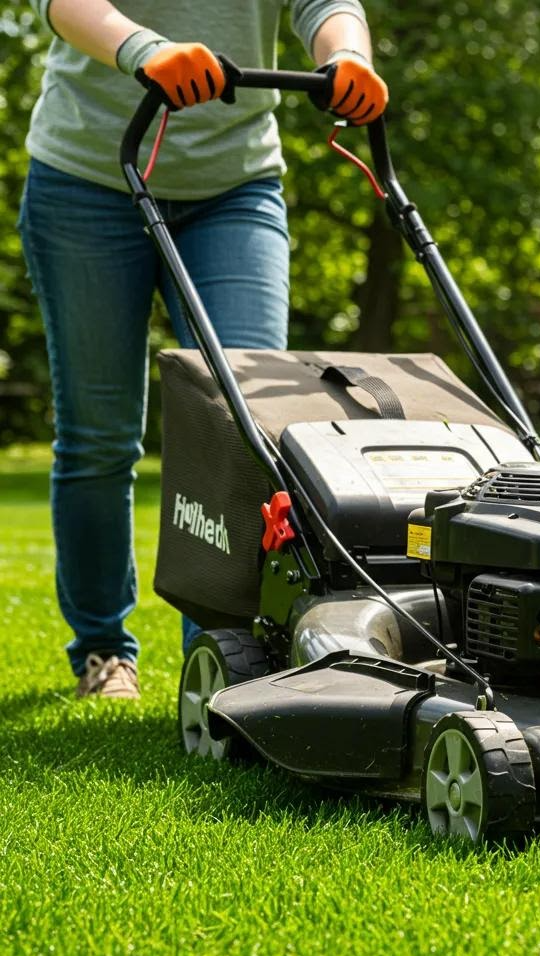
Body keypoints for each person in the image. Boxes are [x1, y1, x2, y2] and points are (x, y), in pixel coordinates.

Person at [20, 0, 388, 699]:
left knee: (247, 435)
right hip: (86, 178)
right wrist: (145, 50)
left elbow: (324, 4)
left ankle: (223, 660)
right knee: (99, 436)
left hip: (236, 185)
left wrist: (348, 56)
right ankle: (103, 651)